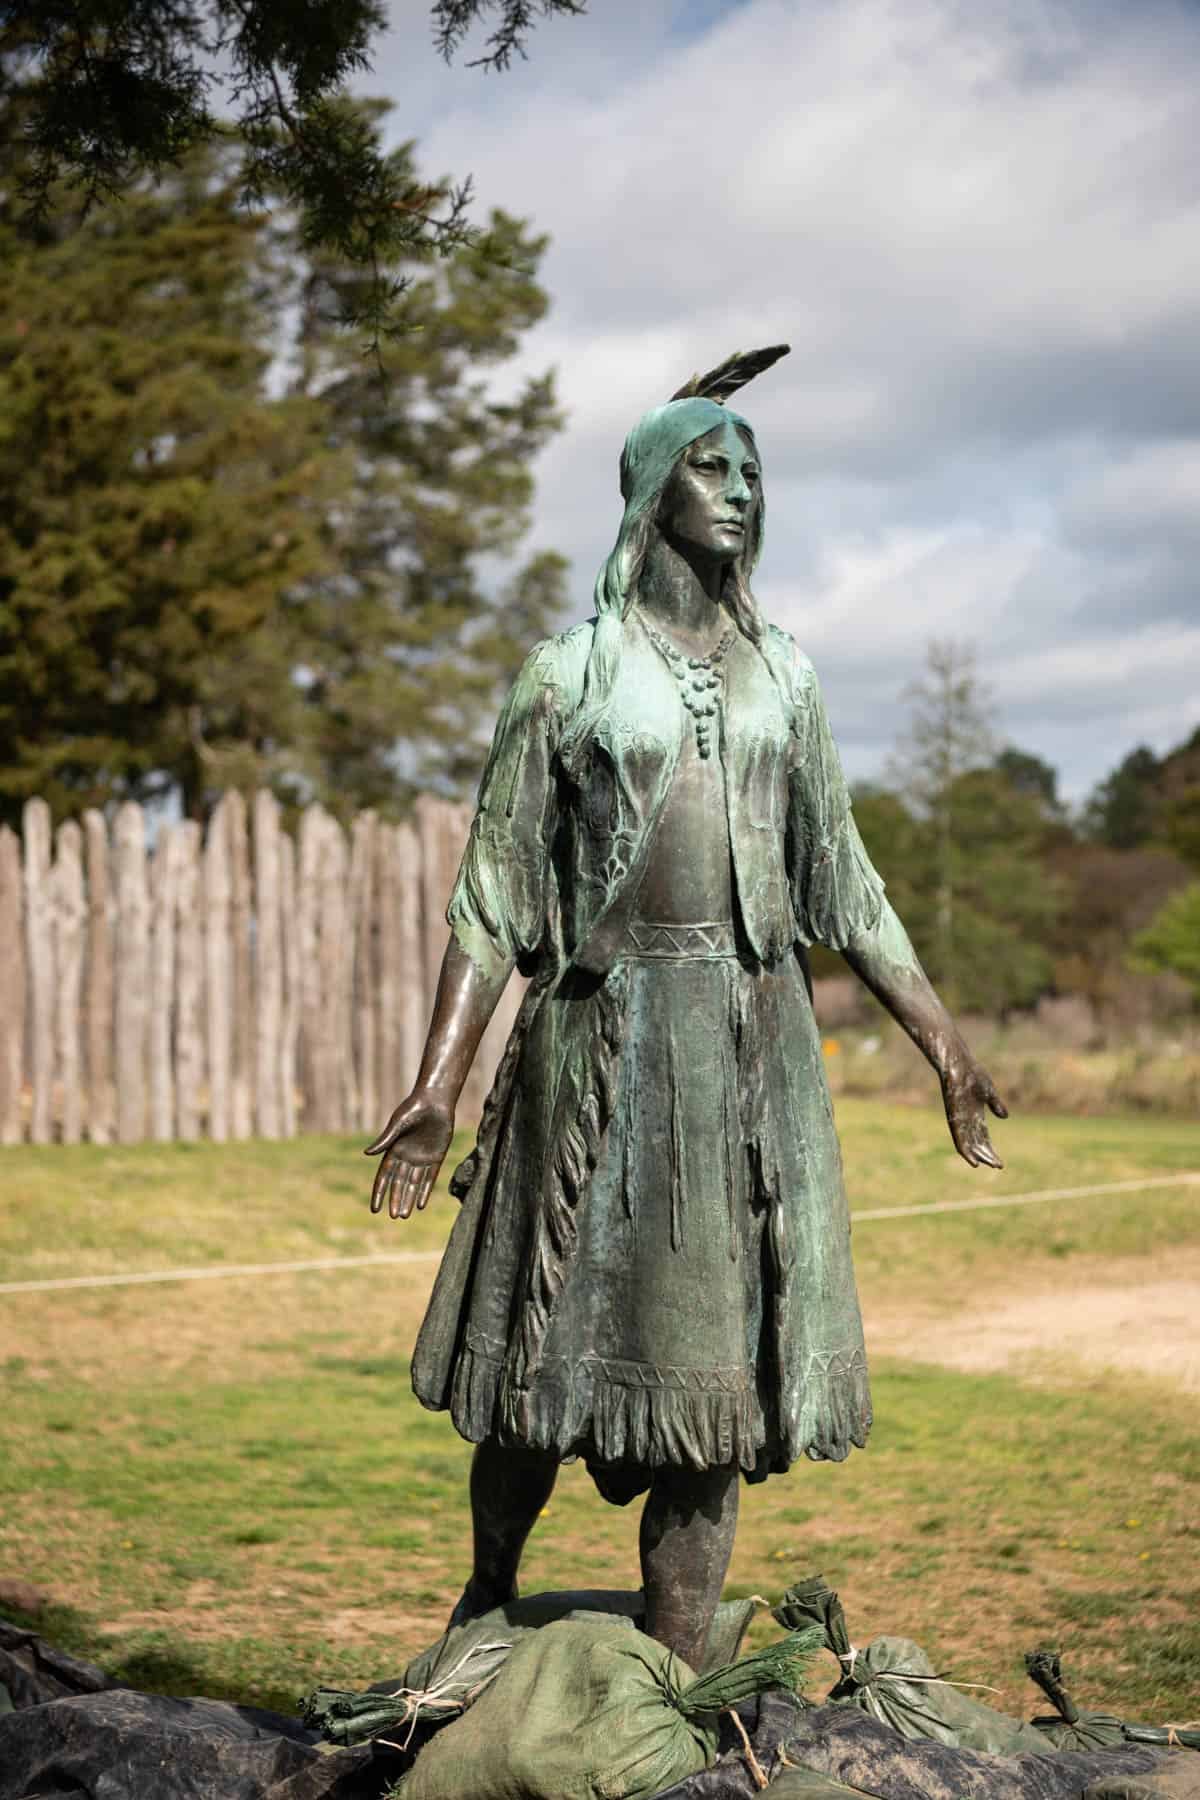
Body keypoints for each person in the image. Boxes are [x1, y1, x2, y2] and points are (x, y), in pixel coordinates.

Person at [366, 353, 1007, 1670]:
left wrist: (943, 1042)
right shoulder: (570, 674)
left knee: (714, 1394)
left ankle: (679, 1678)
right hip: (596, 1044)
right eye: (713, 466)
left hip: (745, 1058)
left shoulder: (787, 678)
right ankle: (486, 1595)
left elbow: (845, 880)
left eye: (754, 470)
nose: (742, 489)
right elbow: (493, 889)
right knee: (540, 1358)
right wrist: (437, 1085)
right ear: (653, 490)